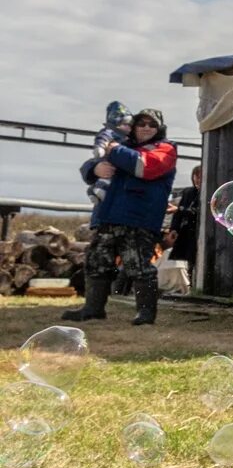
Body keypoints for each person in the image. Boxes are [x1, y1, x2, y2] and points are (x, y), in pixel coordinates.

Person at [64, 109, 178, 326]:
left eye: (152, 125)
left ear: (159, 129)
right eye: (141, 123)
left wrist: (114, 150)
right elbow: (90, 163)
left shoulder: (166, 149)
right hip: (108, 217)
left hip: (139, 219)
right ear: (133, 126)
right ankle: (93, 309)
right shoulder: (123, 145)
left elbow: (145, 167)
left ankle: (146, 314)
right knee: (96, 262)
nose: (146, 128)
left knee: (138, 266)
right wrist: (95, 168)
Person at [161, 165, 202, 294]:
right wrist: (173, 229)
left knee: (197, 260)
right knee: (189, 260)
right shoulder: (188, 192)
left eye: (200, 177)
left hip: (199, 232)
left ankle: (196, 288)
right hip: (187, 231)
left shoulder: (207, 193)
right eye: (196, 176)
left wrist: (178, 209)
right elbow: (178, 213)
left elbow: (197, 212)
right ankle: (191, 287)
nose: (197, 180)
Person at [87, 101, 134, 204]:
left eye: (130, 125)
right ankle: (99, 190)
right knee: (108, 174)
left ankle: (93, 190)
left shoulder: (128, 138)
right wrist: (100, 147)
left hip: (117, 163)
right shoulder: (111, 133)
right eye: (126, 124)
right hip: (109, 159)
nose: (129, 128)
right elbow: (102, 138)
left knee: (109, 174)